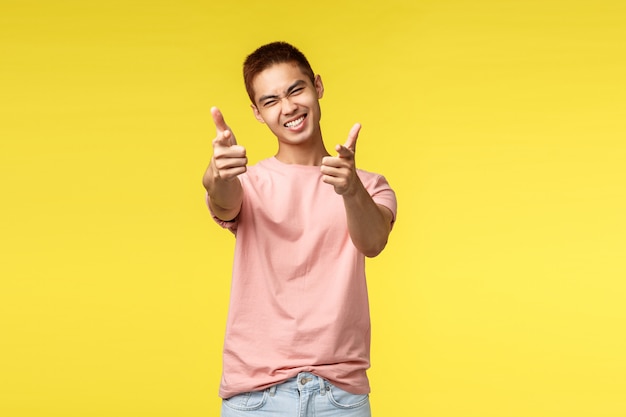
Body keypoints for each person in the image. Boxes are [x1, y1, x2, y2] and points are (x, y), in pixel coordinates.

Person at [203, 41, 397, 417]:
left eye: (296, 89)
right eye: (271, 100)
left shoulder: (370, 186)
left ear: (318, 86)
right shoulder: (250, 184)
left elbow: (373, 242)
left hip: (339, 398)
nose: (288, 107)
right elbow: (223, 198)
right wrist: (217, 173)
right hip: (255, 399)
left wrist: (350, 188)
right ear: (257, 113)